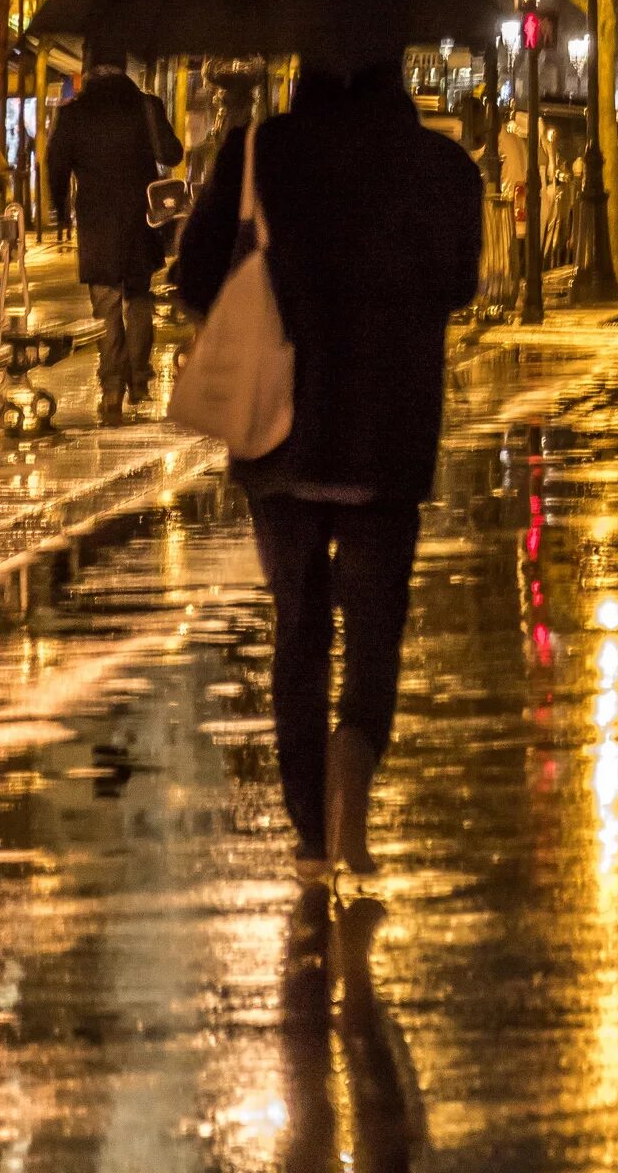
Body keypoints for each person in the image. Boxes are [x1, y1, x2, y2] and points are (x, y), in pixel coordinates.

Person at [174, 65, 484, 880]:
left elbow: (192, 276)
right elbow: (459, 282)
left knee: (300, 628)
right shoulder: (443, 166)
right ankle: (355, 759)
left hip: (282, 431)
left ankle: (310, 829)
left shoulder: (260, 150)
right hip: (389, 432)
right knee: (376, 628)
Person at [44, 54, 183, 426]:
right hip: (141, 218)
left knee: (106, 303)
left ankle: (111, 388)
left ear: (89, 69)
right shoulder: (145, 105)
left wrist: (58, 208)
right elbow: (171, 153)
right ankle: (138, 378)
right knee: (138, 298)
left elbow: (56, 165)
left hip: (97, 220)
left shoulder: (74, 112)